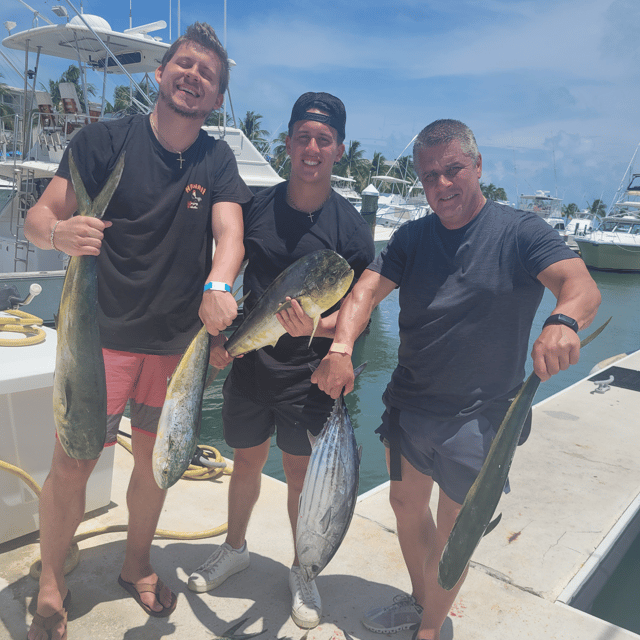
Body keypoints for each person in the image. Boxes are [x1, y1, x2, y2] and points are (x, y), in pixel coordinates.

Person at [311, 119, 601, 640]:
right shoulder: (412, 236)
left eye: (453, 170)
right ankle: (425, 605)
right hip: (410, 402)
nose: (441, 185)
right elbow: (364, 294)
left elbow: (579, 285)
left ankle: (429, 632)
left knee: (453, 532)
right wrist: (340, 344)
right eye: (429, 177)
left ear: (478, 166)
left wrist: (563, 321)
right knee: (404, 506)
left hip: (480, 415)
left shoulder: (520, 231)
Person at [24, 22, 252, 640]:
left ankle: (136, 563)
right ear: (160, 74)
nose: (192, 77)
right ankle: (50, 580)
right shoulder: (101, 140)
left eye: (207, 74)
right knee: (72, 463)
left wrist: (219, 285)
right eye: (183, 64)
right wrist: (57, 235)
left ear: (215, 96)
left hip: (176, 350)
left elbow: (229, 236)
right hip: (97, 342)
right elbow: (40, 215)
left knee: (156, 467)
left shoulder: (217, 158)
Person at [186, 92, 375, 629]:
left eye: (324, 140)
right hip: (251, 366)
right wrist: (222, 338)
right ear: (288, 142)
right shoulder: (257, 208)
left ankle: (304, 568)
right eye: (303, 137)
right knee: (245, 461)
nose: (312, 148)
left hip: (307, 374)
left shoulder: (351, 231)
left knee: (298, 475)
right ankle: (235, 546)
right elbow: (232, 282)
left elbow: (358, 313)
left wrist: (319, 326)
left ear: (338, 149)